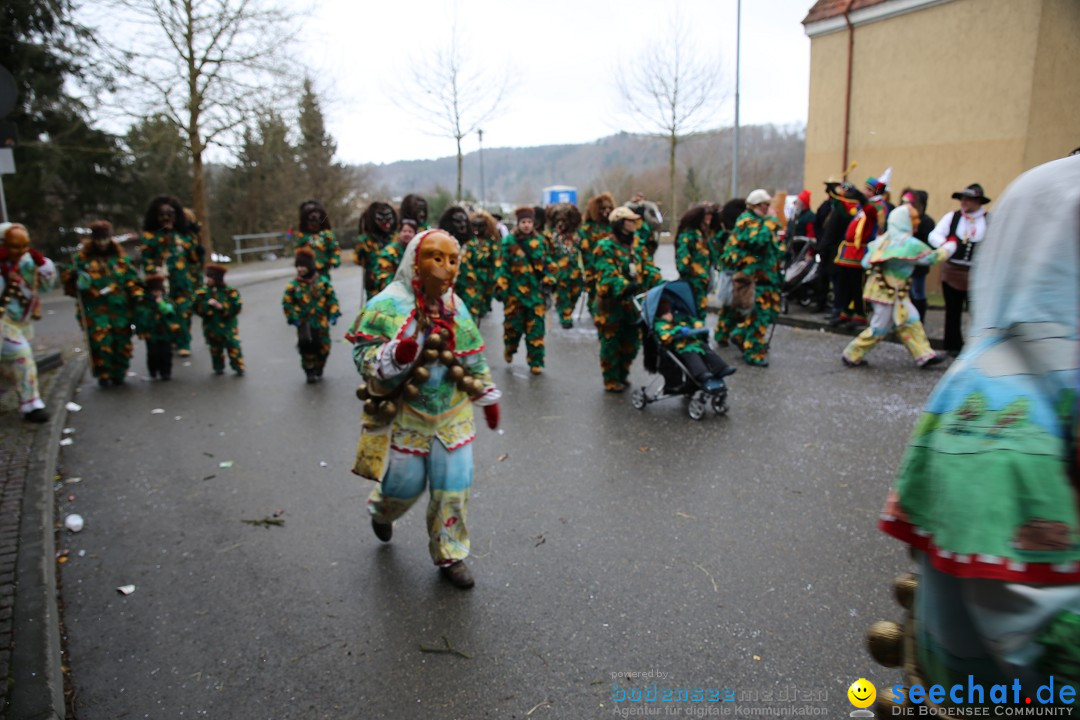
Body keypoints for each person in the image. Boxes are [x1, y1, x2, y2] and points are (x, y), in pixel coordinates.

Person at [877, 155, 1080, 698]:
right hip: (1002, 696)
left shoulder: (1018, 377)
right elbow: (1034, 622)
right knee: (896, 327)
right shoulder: (1004, 406)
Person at [349, 229, 501, 590]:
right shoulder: (387, 304)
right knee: (405, 484)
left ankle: (451, 554)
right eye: (437, 258)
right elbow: (362, 355)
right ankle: (382, 511)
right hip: (407, 412)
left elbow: (472, 355)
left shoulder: (455, 305)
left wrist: (486, 394)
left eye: (452, 260)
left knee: (454, 486)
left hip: (453, 413)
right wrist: (392, 356)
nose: (445, 268)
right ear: (416, 260)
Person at [841, 205, 952, 368]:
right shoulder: (908, 243)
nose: (918, 221)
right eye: (913, 218)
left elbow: (866, 262)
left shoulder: (882, 240)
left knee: (911, 319)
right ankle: (851, 354)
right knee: (879, 327)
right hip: (884, 293)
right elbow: (932, 258)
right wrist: (950, 246)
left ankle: (924, 355)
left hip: (895, 293)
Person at [66, 220, 142, 387]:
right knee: (100, 340)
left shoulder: (120, 258)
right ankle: (104, 373)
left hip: (119, 307)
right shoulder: (82, 259)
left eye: (105, 240)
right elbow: (73, 289)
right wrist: (72, 278)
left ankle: (119, 372)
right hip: (95, 308)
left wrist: (137, 294)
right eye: (98, 240)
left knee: (121, 340)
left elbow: (131, 279)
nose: (102, 244)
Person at [593, 206, 662, 392]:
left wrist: (659, 282)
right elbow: (607, 274)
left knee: (631, 344)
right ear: (620, 223)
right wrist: (624, 286)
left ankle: (622, 375)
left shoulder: (637, 244)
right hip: (611, 305)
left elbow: (648, 267)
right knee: (611, 344)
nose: (634, 223)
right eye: (630, 220)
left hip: (634, 305)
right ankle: (611, 379)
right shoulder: (604, 247)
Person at [720, 189, 785, 367]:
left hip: (768, 277)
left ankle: (741, 335)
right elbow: (756, 243)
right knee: (759, 316)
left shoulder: (762, 223)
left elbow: (770, 249)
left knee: (767, 314)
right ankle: (753, 352)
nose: (769, 209)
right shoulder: (747, 221)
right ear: (756, 205)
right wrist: (771, 222)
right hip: (755, 279)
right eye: (766, 205)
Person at [0, 223, 57, 422]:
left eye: (25, 246)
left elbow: (46, 286)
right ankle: (32, 406)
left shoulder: (28, 261)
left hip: (23, 320)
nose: (22, 251)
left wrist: (43, 266)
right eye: (15, 246)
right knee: (20, 354)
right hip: (2, 321)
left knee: (16, 362)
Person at [928, 183, 991, 356]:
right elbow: (933, 235)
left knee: (977, 313)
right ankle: (953, 346)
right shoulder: (953, 217)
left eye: (968, 199)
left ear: (978, 201)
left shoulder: (989, 220)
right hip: (952, 271)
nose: (964, 202)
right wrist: (945, 245)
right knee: (952, 311)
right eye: (963, 198)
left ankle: (976, 347)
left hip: (977, 275)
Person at [493, 207, 557, 374]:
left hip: (536, 296)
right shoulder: (509, 242)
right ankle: (510, 348)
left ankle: (536, 362)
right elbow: (502, 266)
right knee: (513, 329)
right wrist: (501, 286)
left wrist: (550, 279)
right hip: (515, 296)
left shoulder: (540, 242)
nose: (527, 225)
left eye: (529, 222)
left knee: (536, 331)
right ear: (518, 223)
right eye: (523, 222)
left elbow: (548, 264)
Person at [141, 194, 201, 356]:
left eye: (170, 214)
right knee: (166, 312)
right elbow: (147, 260)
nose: (166, 218)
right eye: (162, 215)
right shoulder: (151, 238)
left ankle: (184, 343)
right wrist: (153, 274)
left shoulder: (182, 237)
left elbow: (194, 258)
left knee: (184, 311)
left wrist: (196, 240)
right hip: (162, 282)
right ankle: (171, 339)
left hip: (182, 282)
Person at [282, 248, 340, 383]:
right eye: (298, 266)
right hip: (304, 323)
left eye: (303, 266)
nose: (300, 269)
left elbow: (332, 299)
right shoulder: (293, 285)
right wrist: (293, 317)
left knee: (324, 348)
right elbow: (287, 303)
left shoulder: (322, 282)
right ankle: (309, 371)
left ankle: (319, 366)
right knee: (306, 348)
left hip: (321, 322)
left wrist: (333, 313)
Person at [654, 297, 735, 391]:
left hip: (692, 342)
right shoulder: (659, 324)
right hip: (681, 347)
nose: (670, 315)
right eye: (666, 313)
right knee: (692, 355)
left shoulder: (677, 320)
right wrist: (678, 330)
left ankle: (721, 367)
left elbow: (690, 321)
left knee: (707, 350)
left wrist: (697, 325)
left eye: (670, 312)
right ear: (660, 315)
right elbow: (665, 336)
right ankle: (701, 373)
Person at [193, 264, 245, 376]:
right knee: (215, 347)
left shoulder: (230, 291)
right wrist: (206, 306)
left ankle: (238, 366)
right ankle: (218, 367)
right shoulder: (202, 292)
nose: (209, 280)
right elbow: (196, 308)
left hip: (228, 326)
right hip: (211, 326)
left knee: (232, 345)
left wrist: (222, 307)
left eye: (211, 277)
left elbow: (237, 307)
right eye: (208, 277)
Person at [899, 188, 935, 322]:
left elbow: (928, 244)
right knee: (904, 293)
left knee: (917, 292)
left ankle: (919, 320)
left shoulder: (926, 221)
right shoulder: (904, 219)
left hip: (919, 264)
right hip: (905, 263)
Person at [135, 274, 180, 381]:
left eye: (159, 291)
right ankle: (153, 372)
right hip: (151, 332)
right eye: (155, 291)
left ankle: (166, 373)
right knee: (153, 353)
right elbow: (141, 317)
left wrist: (161, 305)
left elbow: (171, 313)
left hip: (165, 331)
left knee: (166, 352)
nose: (157, 293)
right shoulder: (144, 303)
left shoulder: (166, 301)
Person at [546, 203, 584, 329]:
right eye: (558, 221)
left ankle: (568, 311)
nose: (560, 224)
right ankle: (565, 317)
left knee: (576, 293)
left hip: (575, 271)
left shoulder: (577, 235)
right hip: (559, 272)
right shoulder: (551, 236)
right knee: (562, 295)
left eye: (564, 221)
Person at [675, 203, 718, 313]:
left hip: (704, 281)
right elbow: (682, 258)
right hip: (693, 281)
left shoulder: (705, 235)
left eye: (711, 215)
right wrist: (687, 275)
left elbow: (712, 256)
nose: (709, 218)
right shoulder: (689, 234)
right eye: (706, 215)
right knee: (693, 312)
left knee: (700, 311)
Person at [578, 192, 616, 310]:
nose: (606, 211)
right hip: (592, 264)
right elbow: (584, 249)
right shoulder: (588, 228)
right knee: (593, 288)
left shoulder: (613, 226)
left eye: (609, 208)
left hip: (610, 263)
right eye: (603, 209)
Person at [355, 201, 398, 294]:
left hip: (394, 282)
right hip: (374, 285)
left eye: (389, 219)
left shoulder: (396, 238)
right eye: (381, 220)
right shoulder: (366, 239)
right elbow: (358, 261)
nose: (386, 224)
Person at [293, 199, 340, 282]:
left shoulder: (326, 235)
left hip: (323, 270)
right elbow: (298, 251)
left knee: (323, 290)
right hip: (307, 271)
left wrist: (334, 260)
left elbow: (334, 249)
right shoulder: (303, 236)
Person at [467, 210, 500, 321]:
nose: (477, 229)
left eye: (480, 226)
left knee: (482, 309)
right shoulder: (469, 242)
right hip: (471, 280)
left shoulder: (491, 242)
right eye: (474, 226)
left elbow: (496, 260)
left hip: (486, 279)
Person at [372, 218, 416, 294]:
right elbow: (383, 275)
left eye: (410, 231)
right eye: (404, 231)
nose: (407, 234)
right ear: (399, 233)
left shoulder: (417, 251)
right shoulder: (390, 251)